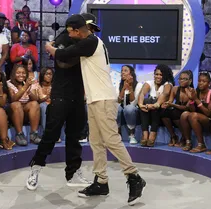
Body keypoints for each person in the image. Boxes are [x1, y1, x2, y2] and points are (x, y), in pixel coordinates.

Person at [43, 14, 146, 206]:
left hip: (104, 99)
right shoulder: (89, 42)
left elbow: (64, 55)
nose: (70, 35)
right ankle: (101, 181)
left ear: (76, 30)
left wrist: (50, 48)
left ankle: (134, 177)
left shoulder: (90, 42)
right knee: (96, 142)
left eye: (70, 32)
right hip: (94, 99)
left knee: (111, 140)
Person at [26, 22, 93, 190]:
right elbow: (62, 62)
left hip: (77, 96)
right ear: (77, 28)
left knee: (74, 137)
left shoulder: (88, 42)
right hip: (61, 95)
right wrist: (76, 54)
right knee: (50, 135)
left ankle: (73, 173)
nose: (90, 31)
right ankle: (35, 168)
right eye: (88, 28)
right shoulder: (65, 37)